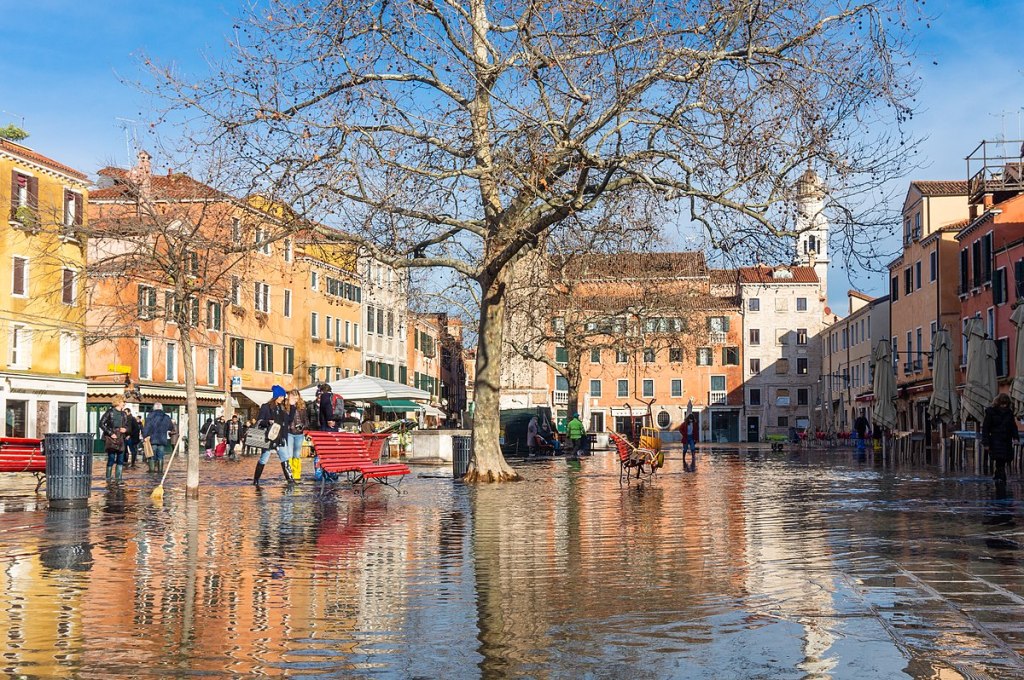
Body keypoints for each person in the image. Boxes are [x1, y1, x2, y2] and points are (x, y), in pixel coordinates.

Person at [254, 385, 292, 486]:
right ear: (276, 396)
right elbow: (259, 422)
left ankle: (290, 480)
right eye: (281, 396)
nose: (282, 398)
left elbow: (287, 421)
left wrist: (291, 407)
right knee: (264, 459)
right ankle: (256, 480)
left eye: (283, 397)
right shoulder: (266, 407)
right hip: (269, 438)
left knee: (285, 458)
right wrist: (268, 422)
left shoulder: (282, 408)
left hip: (280, 438)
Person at [983, 393, 1019, 483]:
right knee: (1000, 458)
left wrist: (1015, 437)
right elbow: (986, 428)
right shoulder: (990, 412)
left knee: (1004, 459)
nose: (1004, 405)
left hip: (1006, 439)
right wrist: (986, 442)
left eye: (1005, 404)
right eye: (1002, 403)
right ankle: (1001, 477)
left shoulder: (1009, 413)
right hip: (995, 439)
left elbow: (1013, 426)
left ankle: (998, 475)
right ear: (998, 403)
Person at [99, 395, 128, 481]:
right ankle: (108, 478)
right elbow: (101, 423)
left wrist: (125, 429)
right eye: (123, 402)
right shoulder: (110, 412)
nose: (124, 404)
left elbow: (127, 425)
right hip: (111, 437)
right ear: (118, 402)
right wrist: (110, 433)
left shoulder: (124, 414)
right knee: (111, 458)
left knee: (120, 458)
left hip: (121, 437)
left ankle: (118, 479)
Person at [141, 402, 175, 474]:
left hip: (152, 438)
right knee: (160, 456)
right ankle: (160, 472)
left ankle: (152, 471)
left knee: (151, 455)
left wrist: (144, 436)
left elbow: (147, 427)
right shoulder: (166, 417)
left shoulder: (150, 416)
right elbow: (171, 427)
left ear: (154, 408)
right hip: (162, 439)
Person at [286, 389, 309, 470]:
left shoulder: (302, 407)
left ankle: (296, 474)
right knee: (289, 454)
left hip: (299, 433)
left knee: (297, 454)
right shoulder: (286, 406)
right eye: (293, 398)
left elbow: (306, 420)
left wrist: (302, 426)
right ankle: (289, 474)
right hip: (289, 433)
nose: (295, 400)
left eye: (296, 398)